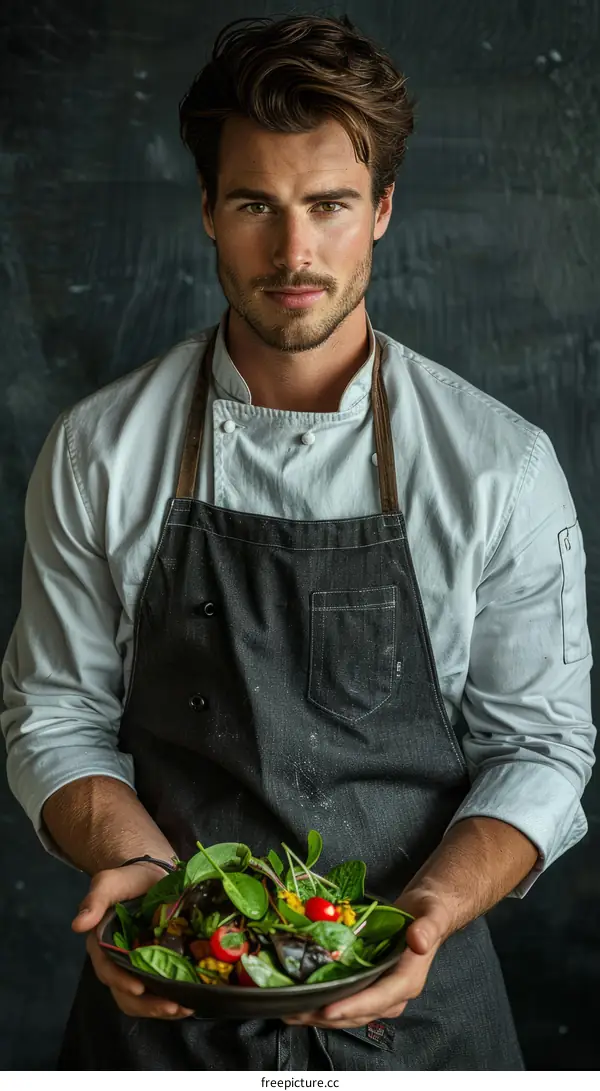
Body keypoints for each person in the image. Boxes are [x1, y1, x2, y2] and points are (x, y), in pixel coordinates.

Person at [1, 12, 595, 1072]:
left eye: (328, 205)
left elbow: (541, 748)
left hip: (424, 1019)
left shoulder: (497, 466)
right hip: (168, 1009)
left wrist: (424, 911)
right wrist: (143, 873)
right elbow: (55, 708)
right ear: (205, 212)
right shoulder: (99, 451)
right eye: (254, 206)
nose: (293, 252)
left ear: (382, 210)